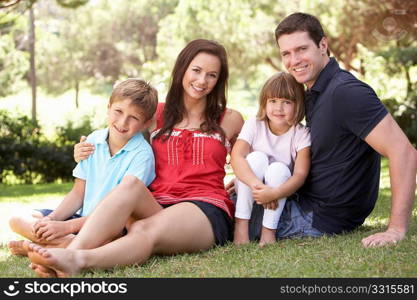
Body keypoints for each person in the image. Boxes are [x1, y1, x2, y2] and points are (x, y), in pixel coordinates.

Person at [26, 39, 244, 277]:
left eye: (212, 75)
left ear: (219, 80)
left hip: (203, 207)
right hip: (156, 203)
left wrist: (243, 181)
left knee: (142, 228)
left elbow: (251, 160)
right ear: (182, 69)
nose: (202, 81)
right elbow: (115, 133)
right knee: (130, 184)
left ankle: (78, 258)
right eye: (197, 70)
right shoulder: (156, 114)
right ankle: (68, 255)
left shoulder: (231, 119)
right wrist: (82, 150)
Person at [252, 12, 416, 247]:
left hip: (317, 217)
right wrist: (256, 176)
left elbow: (404, 153)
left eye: (301, 49)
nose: (293, 60)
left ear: (323, 45)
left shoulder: (346, 92)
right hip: (305, 202)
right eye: (286, 53)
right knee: (235, 196)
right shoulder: (315, 91)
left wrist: (396, 230)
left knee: (221, 210)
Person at [8, 78, 158, 257]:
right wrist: (52, 220)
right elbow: (78, 193)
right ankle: (64, 244)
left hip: (110, 226)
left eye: (134, 117)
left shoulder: (142, 155)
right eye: (118, 111)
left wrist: (65, 227)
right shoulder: (93, 141)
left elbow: (124, 212)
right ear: (108, 107)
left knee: (112, 240)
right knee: (16, 219)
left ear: (146, 123)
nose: (123, 122)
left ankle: (47, 246)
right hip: (80, 218)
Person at [231, 72, 311, 246]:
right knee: (257, 158)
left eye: (286, 102)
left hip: (279, 191)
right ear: (264, 103)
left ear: (298, 105)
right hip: (249, 188)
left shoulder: (301, 133)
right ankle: (241, 225)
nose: (278, 108)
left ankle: (268, 231)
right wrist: (257, 186)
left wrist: (274, 193)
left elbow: (300, 175)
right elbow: (236, 157)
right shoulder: (254, 124)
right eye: (273, 101)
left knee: (279, 169)